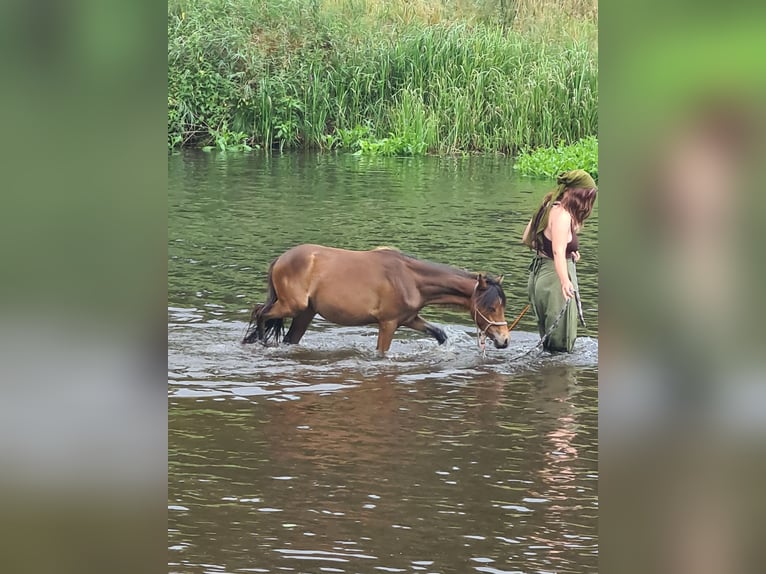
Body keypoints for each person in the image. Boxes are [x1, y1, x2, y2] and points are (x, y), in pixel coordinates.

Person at [522, 169, 597, 352]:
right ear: (576, 194)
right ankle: (559, 380)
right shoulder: (563, 215)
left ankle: (543, 379)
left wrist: (569, 252)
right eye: (587, 195)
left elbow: (527, 239)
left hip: (539, 277)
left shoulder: (548, 205)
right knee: (560, 347)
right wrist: (565, 281)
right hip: (555, 281)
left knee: (548, 343)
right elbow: (557, 250)